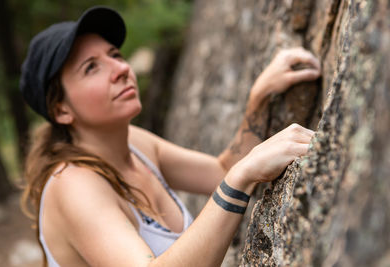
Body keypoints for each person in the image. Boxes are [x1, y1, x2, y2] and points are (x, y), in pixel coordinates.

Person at [20, 6, 320, 267]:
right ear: (61, 110)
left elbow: (219, 171)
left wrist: (259, 98)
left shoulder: (135, 144)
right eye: (91, 68)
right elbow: (232, 176)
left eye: (114, 54)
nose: (121, 69)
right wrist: (239, 178)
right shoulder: (72, 185)